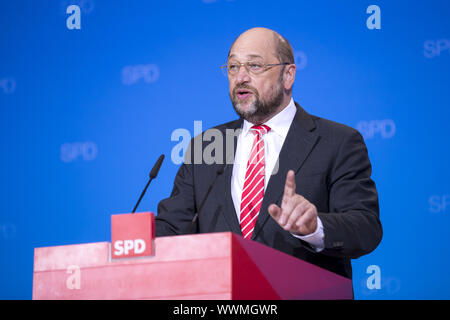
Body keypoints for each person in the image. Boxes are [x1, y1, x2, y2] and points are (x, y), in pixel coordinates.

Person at [155, 27, 382, 280]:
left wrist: (313, 227)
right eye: (232, 67)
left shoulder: (338, 141)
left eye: (254, 66)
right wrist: (132, 242)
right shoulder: (206, 145)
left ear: (288, 75)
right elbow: (172, 229)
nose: (240, 77)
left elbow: (366, 228)